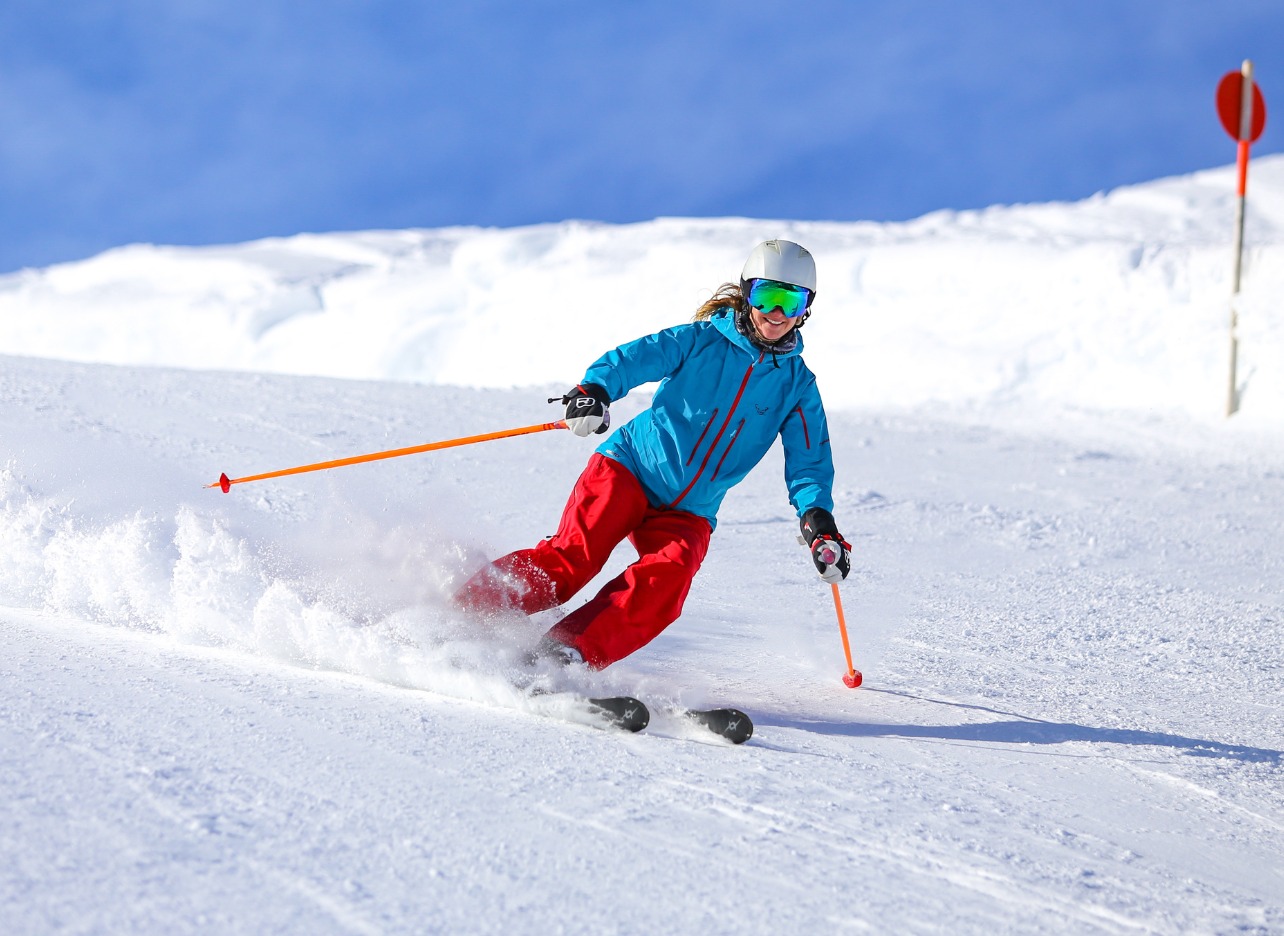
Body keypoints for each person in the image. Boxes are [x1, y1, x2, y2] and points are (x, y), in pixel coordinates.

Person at [453, 239, 851, 669]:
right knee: (572, 561)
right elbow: (635, 359)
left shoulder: (797, 385)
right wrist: (595, 391)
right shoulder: (700, 341)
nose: (776, 314)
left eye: (790, 301)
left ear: (806, 309)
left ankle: (563, 656)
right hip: (631, 468)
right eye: (766, 296)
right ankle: (461, 610)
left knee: (667, 580)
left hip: (691, 510)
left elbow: (808, 460)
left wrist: (818, 520)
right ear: (745, 293)